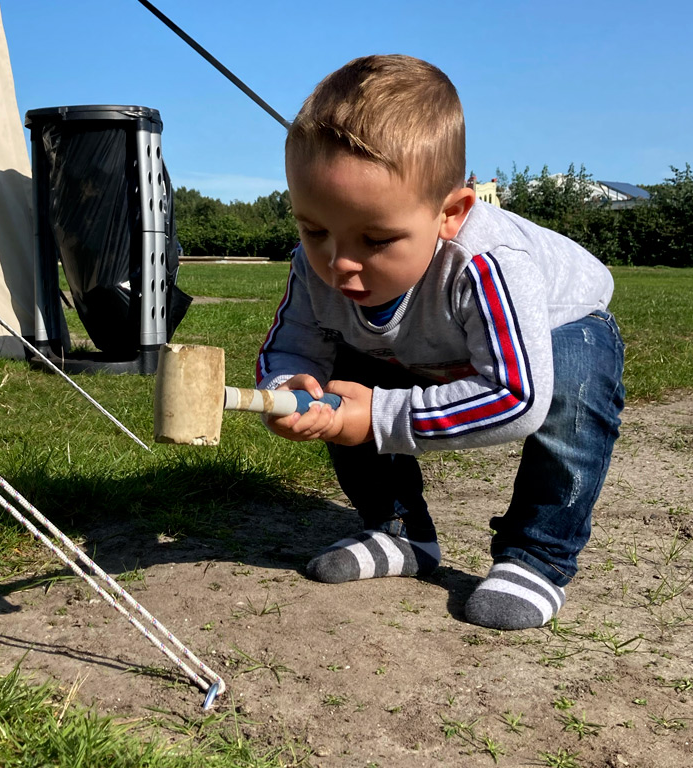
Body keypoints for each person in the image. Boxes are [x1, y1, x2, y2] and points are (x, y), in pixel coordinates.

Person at [256, 54, 624, 630]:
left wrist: (379, 416)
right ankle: (400, 534)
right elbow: (293, 347)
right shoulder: (315, 269)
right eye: (314, 229)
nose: (340, 263)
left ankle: (537, 554)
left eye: (376, 238)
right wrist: (287, 388)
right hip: (418, 344)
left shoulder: (487, 265)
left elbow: (517, 398)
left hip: (558, 327)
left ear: (451, 213)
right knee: (340, 381)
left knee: (572, 390)